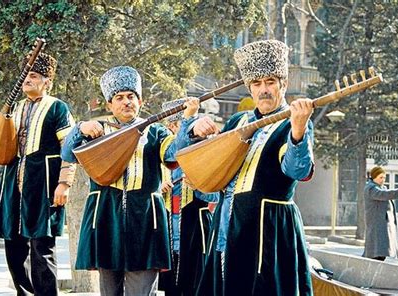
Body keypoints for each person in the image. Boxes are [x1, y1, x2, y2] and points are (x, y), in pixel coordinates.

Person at [190, 40, 315, 295]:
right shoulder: (237, 120)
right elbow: (218, 172)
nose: (264, 89)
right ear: (249, 88)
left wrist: (299, 130)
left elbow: (297, 171)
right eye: (256, 84)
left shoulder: (292, 123)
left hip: (268, 231)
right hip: (226, 226)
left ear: (283, 84)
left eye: (270, 81)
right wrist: (197, 133)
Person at [61, 66, 200, 295]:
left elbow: (174, 153)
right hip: (106, 217)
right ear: (110, 104)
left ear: (140, 101)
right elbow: (67, 154)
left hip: (146, 220)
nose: (126, 102)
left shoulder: (155, 131)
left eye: (131, 97)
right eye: (119, 98)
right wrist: (79, 128)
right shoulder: (98, 129)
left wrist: (188, 120)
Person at [0, 52, 76, 295]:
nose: (27, 80)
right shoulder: (13, 108)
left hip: (43, 185)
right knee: (13, 249)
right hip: (13, 185)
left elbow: (70, 147)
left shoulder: (57, 108)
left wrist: (64, 183)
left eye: (33, 76)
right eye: (25, 77)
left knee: (42, 249)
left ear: (47, 81)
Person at [158, 99, 219, 296]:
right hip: (165, 223)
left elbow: (214, 195)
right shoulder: (161, 153)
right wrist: (159, 187)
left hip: (196, 225)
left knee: (197, 281)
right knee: (167, 285)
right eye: (177, 125)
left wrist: (197, 180)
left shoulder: (204, 149)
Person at [363, 166, 398, 261]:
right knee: (375, 254)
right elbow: (383, 194)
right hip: (376, 226)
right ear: (374, 177)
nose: (383, 180)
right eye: (380, 177)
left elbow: (385, 193)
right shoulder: (371, 188)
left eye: (384, 177)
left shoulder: (381, 187)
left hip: (382, 226)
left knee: (380, 254)